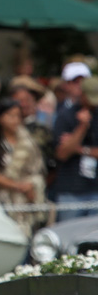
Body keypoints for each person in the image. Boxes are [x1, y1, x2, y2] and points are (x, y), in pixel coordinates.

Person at [0, 98, 51, 237]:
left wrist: (32, 186)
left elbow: (39, 169)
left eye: (18, 116)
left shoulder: (28, 142)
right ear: (0, 118)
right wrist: (19, 186)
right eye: (10, 116)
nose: (15, 120)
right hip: (4, 199)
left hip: (29, 197)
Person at [50, 76, 98, 222]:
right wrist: (82, 127)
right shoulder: (66, 116)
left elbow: (71, 148)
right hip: (69, 191)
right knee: (68, 236)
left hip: (95, 189)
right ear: (81, 94)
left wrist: (79, 149)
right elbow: (62, 154)